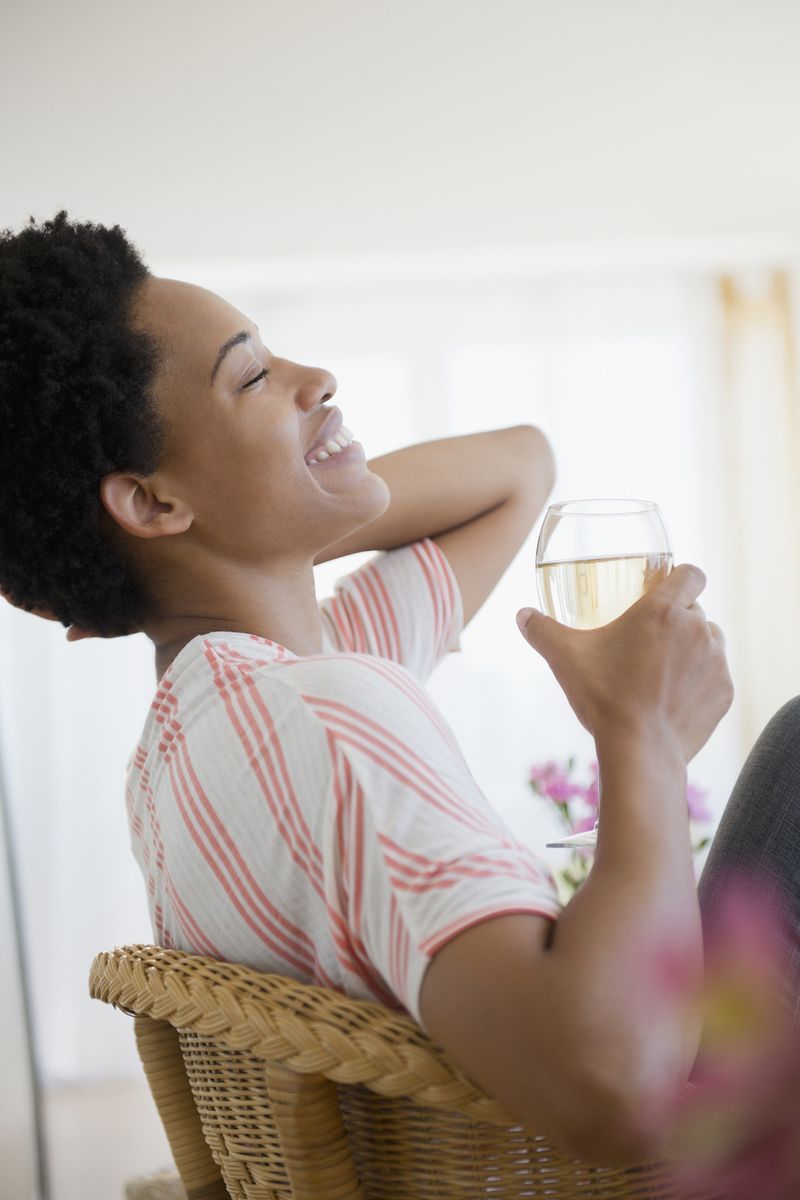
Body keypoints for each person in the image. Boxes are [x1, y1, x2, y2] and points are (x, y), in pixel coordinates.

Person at [1, 212, 796, 1168]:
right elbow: (609, 1087)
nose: (315, 379)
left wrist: (244, 535)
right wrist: (645, 736)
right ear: (154, 502)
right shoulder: (321, 719)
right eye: (252, 377)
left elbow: (519, 466)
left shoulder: (225, 712)